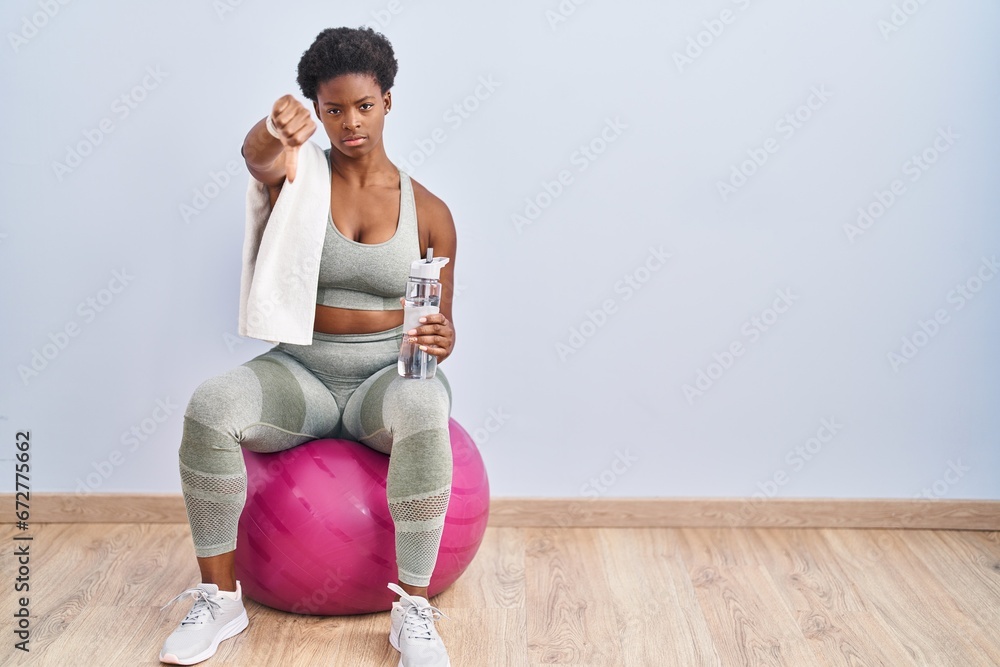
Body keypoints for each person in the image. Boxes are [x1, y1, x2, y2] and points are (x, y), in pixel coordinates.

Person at [159, 26, 458, 667]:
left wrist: (444, 336)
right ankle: (221, 601)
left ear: (388, 101)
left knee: (427, 409)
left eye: (364, 106)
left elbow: (441, 325)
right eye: (333, 109)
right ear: (317, 110)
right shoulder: (300, 176)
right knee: (211, 405)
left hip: (385, 377)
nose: (350, 123)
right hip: (302, 370)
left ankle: (412, 612)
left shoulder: (430, 212)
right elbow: (257, 157)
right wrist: (274, 129)